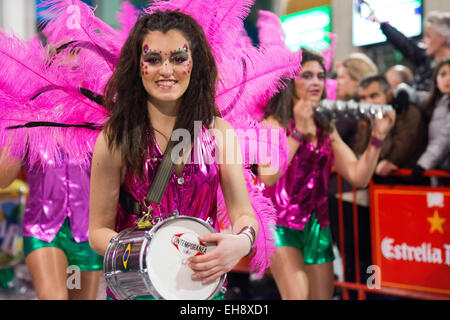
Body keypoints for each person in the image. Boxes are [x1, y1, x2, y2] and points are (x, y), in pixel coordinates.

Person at [88, 11, 260, 300]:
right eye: (153, 59)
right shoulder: (114, 137)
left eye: (178, 59)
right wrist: (151, 253)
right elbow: (98, 231)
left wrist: (242, 242)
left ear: (195, 65)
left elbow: (243, 213)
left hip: (204, 288)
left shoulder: (219, 133)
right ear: (137, 66)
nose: (166, 70)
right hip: (137, 291)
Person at [258, 49, 396, 300]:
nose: (315, 82)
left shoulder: (326, 126)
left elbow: (358, 176)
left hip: (318, 225)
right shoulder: (273, 124)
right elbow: (267, 177)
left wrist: (377, 138)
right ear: (291, 81)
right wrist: (298, 133)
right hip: (280, 225)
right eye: (307, 76)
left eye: (321, 76)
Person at [0, 148, 103, 300]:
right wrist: (16, 132)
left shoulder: (94, 127)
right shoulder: (29, 129)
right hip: (42, 230)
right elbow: (3, 180)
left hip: (86, 233)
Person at [354, 74, 427, 181]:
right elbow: (360, 146)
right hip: (379, 181)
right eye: (363, 98)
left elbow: (404, 145)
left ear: (389, 95)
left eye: (374, 96)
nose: (368, 102)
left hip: (410, 181)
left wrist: (388, 161)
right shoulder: (365, 117)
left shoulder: (408, 112)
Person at [370, 10, 450, 92]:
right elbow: (403, 43)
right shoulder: (425, 59)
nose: (424, 40)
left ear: (441, 38)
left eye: (428, 36)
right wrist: (378, 21)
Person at [412, 58, 450, 184]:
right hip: (438, 169)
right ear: (436, 79)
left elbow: (445, 138)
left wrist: (423, 164)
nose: (448, 79)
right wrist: (401, 91)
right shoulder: (436, 102)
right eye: (443, 74)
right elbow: (414, 95)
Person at [335, 52, 378, 148]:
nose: (337, 82)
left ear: (358, 80)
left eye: (341, 77)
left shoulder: (354, 111)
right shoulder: (347, 107)